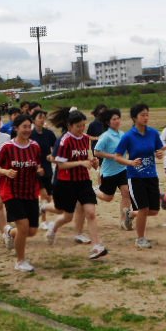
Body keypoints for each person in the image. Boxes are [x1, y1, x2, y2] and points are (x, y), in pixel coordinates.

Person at [45, 109, 108, 259]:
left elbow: (85, 157)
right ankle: (53, 227)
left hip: (84, 181)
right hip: (66, 183)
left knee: (90, 213)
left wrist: (93, 162)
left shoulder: (85, 138)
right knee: (67, 216)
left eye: (83, 125)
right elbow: (61, 165)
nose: (81, 129)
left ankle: (97, 246)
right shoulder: (64, 140)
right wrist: (80, 162)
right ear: (70, 126)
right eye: (78, 126)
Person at [0, 115, 44, 271]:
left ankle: (9, 232)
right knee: (23, 226)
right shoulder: (7, 147)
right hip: (11, 192)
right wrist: (5, 172)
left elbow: (37, 164)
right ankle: (20, 261)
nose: (27, 130)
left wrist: (39, 170)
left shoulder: (35, 146)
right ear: (16, 128)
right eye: (24, 127)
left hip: (30, 192)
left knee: (31, 231)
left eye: (29, 126)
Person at [114, 104, 165, 249]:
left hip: (151, 175)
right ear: (134, 117)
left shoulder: (153, 133)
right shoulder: (128, 136)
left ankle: (130, 214)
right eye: (142, 115)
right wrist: (130, 162)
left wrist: (159, 153)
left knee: (153, 211)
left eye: (147, 114)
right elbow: (117, 156)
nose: (146, 117)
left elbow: (159, 149)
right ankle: (140, 239)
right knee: (143, 208)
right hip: (135, 177)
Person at [93, 108, 132, 229]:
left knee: (126, 192)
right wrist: (112, 156)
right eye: (114, 119)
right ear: (108, 122)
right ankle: (93, 190)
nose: (117, 121)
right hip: (109, 172)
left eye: (118, 118)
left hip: (122, 169)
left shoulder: (123, 134)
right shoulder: (105, 136)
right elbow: (96, 152)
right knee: (108, 197)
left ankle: (124, 221)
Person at [29, 109, 56, 230]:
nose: (42, 120)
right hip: (34, 168)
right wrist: (36, 166)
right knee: (43, 194)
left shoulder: (49, 134)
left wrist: (53, 156)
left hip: (47, 167)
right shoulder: (30, 135)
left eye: (43, 117)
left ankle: (41, 216)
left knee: (49, 197)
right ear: (33, 120)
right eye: (39, 117)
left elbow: (56, 147)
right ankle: (43, 221)